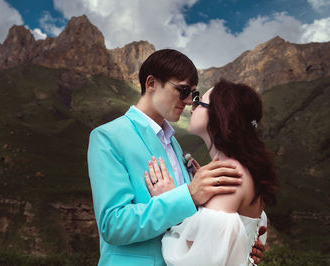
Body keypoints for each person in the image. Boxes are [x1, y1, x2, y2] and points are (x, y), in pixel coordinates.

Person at [87, 49, 264, 266]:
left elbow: (189, 221)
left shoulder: (175, 143)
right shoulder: (108, 137)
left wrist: (236, 245)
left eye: (192, 93)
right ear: (151, 83)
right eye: (182, 91)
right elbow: (112, 225)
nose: (189, 101)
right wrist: (188, 195)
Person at [145, 79, 279, 265]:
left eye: (199, 103)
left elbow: (196, 259)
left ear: (219, 115)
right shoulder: (238, 168)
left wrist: (169, 202)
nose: (191, 108)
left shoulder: (230, 174)